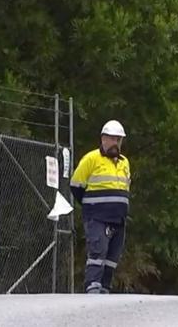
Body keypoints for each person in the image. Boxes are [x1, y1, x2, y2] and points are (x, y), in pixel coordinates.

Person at [70, 120, 131, 294]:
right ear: (103, 139)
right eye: (112, 139)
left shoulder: (124, 162)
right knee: (98, 251)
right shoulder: (91, 159)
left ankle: (105, 287)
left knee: (113, 256)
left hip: (118, 218)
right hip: (97, 216)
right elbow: (76, 186)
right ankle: (93, 285)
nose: (115, 143)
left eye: (118, 139)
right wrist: (93, 205)